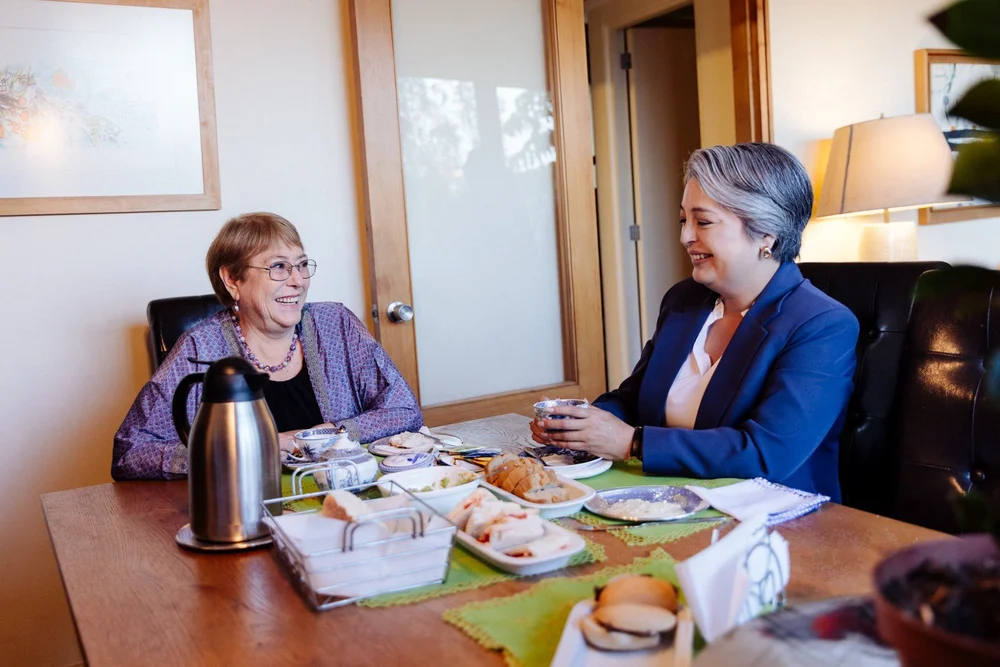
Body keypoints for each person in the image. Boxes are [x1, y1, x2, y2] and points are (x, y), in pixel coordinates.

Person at [531, 143, 858, 500]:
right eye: (683, 220)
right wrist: (577, 425)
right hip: (668, 499)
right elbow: (633, 398)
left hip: (773, 520)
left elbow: (767, 453)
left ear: (767, 233)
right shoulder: (683, 300)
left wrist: (632, 442)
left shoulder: (822, 325)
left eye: (703, 222)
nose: (686, 237)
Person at [112, 212, 422, 480]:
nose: (297, 280)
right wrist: (252, 450)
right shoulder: (200, 347)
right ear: (233, 280)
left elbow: (404, 409)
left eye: (301, 265)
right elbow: (130, 453)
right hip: (245, 509)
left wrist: (324, 435)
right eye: (278, 267)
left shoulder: (336, 324)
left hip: (347, 496)